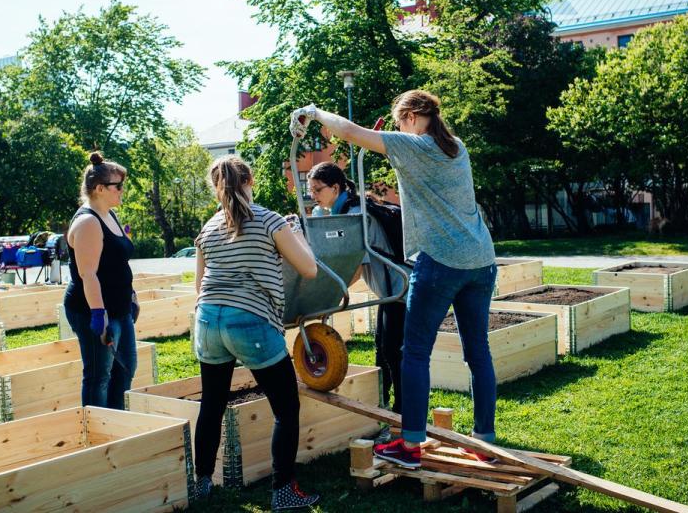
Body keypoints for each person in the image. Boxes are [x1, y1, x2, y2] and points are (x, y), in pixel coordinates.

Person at [291, 90, 497, 468]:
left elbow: (351, 132)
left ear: (416, 116)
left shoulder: (415, 146)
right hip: (481, 261)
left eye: (401, 120)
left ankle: (410, 445)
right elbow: (365, 136)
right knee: (477, 351)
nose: (400, 126)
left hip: (441, 263)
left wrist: (315, 111)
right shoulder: (457, 149)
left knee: (414, 353)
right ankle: (484, 438)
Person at [193, 155, 321, 510]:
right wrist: (295, 231)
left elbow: (199, 285)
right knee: (286, 407)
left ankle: (202, 484)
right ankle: (283, 491)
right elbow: (309, 268)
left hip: (207, 319)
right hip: (249, 320)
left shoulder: (208, 227)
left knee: (212, 403)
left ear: (216, 187)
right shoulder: (270, 220)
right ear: (250, 181)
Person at [306, 162, 406, 416]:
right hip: (390, 291)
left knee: (393, 351)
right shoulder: (350, 210)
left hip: (401, 289)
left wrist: (327, 297)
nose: (312, 196)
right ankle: (381, 403)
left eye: (317, 190)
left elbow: (355, 270)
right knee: (382, 349)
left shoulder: (355, 215)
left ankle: (403, 410)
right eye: (311, 190)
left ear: (335, 187)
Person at [63, 151, 139, 410]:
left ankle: (116, 423)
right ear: (99, 188)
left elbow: (117, 264)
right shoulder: (88, 222)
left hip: (120, 309)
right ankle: (96, 436)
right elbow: (88, 274)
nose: (122, 191)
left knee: (126, 368)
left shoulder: (110, 214)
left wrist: (131, 296)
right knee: (99, 377)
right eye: (117, 186)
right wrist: (99, 314)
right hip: (93, 310)